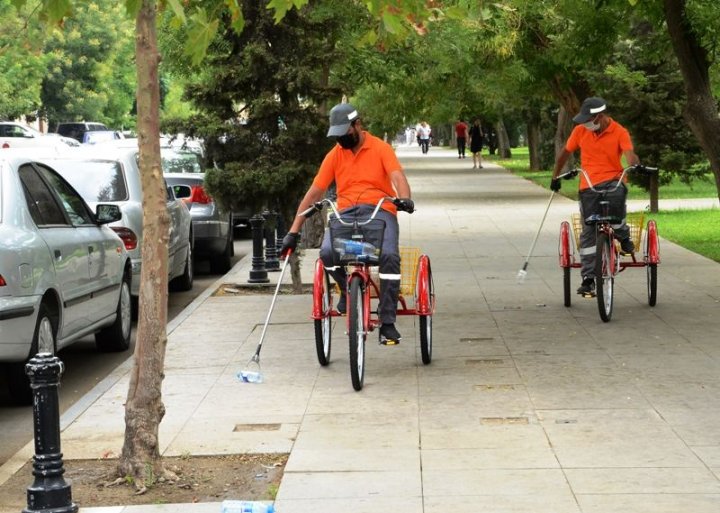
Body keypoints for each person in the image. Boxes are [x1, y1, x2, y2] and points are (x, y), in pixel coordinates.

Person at [280, 103, 414, 345]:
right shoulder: (334, 156)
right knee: (328, 253)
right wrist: (293, 231)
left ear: (358, 125)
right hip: (346, 214)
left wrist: (404, 199)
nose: (341, 139)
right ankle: (345, 288)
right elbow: (314, 193)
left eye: (345, 133)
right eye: (337, 135)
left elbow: (397, 177)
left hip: (380, 211)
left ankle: (387, 322)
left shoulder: (380, 149)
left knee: (390, 257)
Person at [550, 96, 640, 297]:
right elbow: (565, 153)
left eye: (588, 120)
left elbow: (629, 153)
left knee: (616, 213)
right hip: (588, 184)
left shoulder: (619, 131)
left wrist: (634, 163)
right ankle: (589, 278)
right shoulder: (580, 131)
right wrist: (555, 176)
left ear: (599, 117)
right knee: (589, 228)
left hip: (614, 181)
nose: (585, 124)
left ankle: (623, 236)